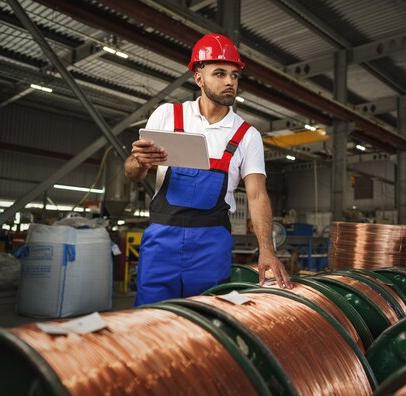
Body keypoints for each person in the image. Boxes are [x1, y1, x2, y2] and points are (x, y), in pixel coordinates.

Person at [124, 33, 292, 306]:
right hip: (161, 238)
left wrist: (267, 251)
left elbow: (257, 196)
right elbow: (133, 174)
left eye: (235, 76)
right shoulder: (167, 115)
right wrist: (139, 161)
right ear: (199, 78)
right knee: (150, 316)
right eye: (220, 73)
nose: (230, 82)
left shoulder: (246, 135)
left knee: (207, 321)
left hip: (211, 244)